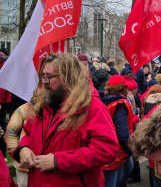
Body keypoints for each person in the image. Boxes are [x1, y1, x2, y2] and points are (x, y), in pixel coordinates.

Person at [13, 53, 118, 187]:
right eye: (42, 77)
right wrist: (24, 148)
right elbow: (28, 134)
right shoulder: (43, 106)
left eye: (49, 77)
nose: (44, 82)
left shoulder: (92, 108)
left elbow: (106, 149)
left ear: (67, 77)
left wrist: (58, 161)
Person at [101, 75, 136, 187]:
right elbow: (123, 134)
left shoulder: (104, 102)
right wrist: (131, 150)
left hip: (106, 150)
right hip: (116, 153)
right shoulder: (120, 105)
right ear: (122, 88)